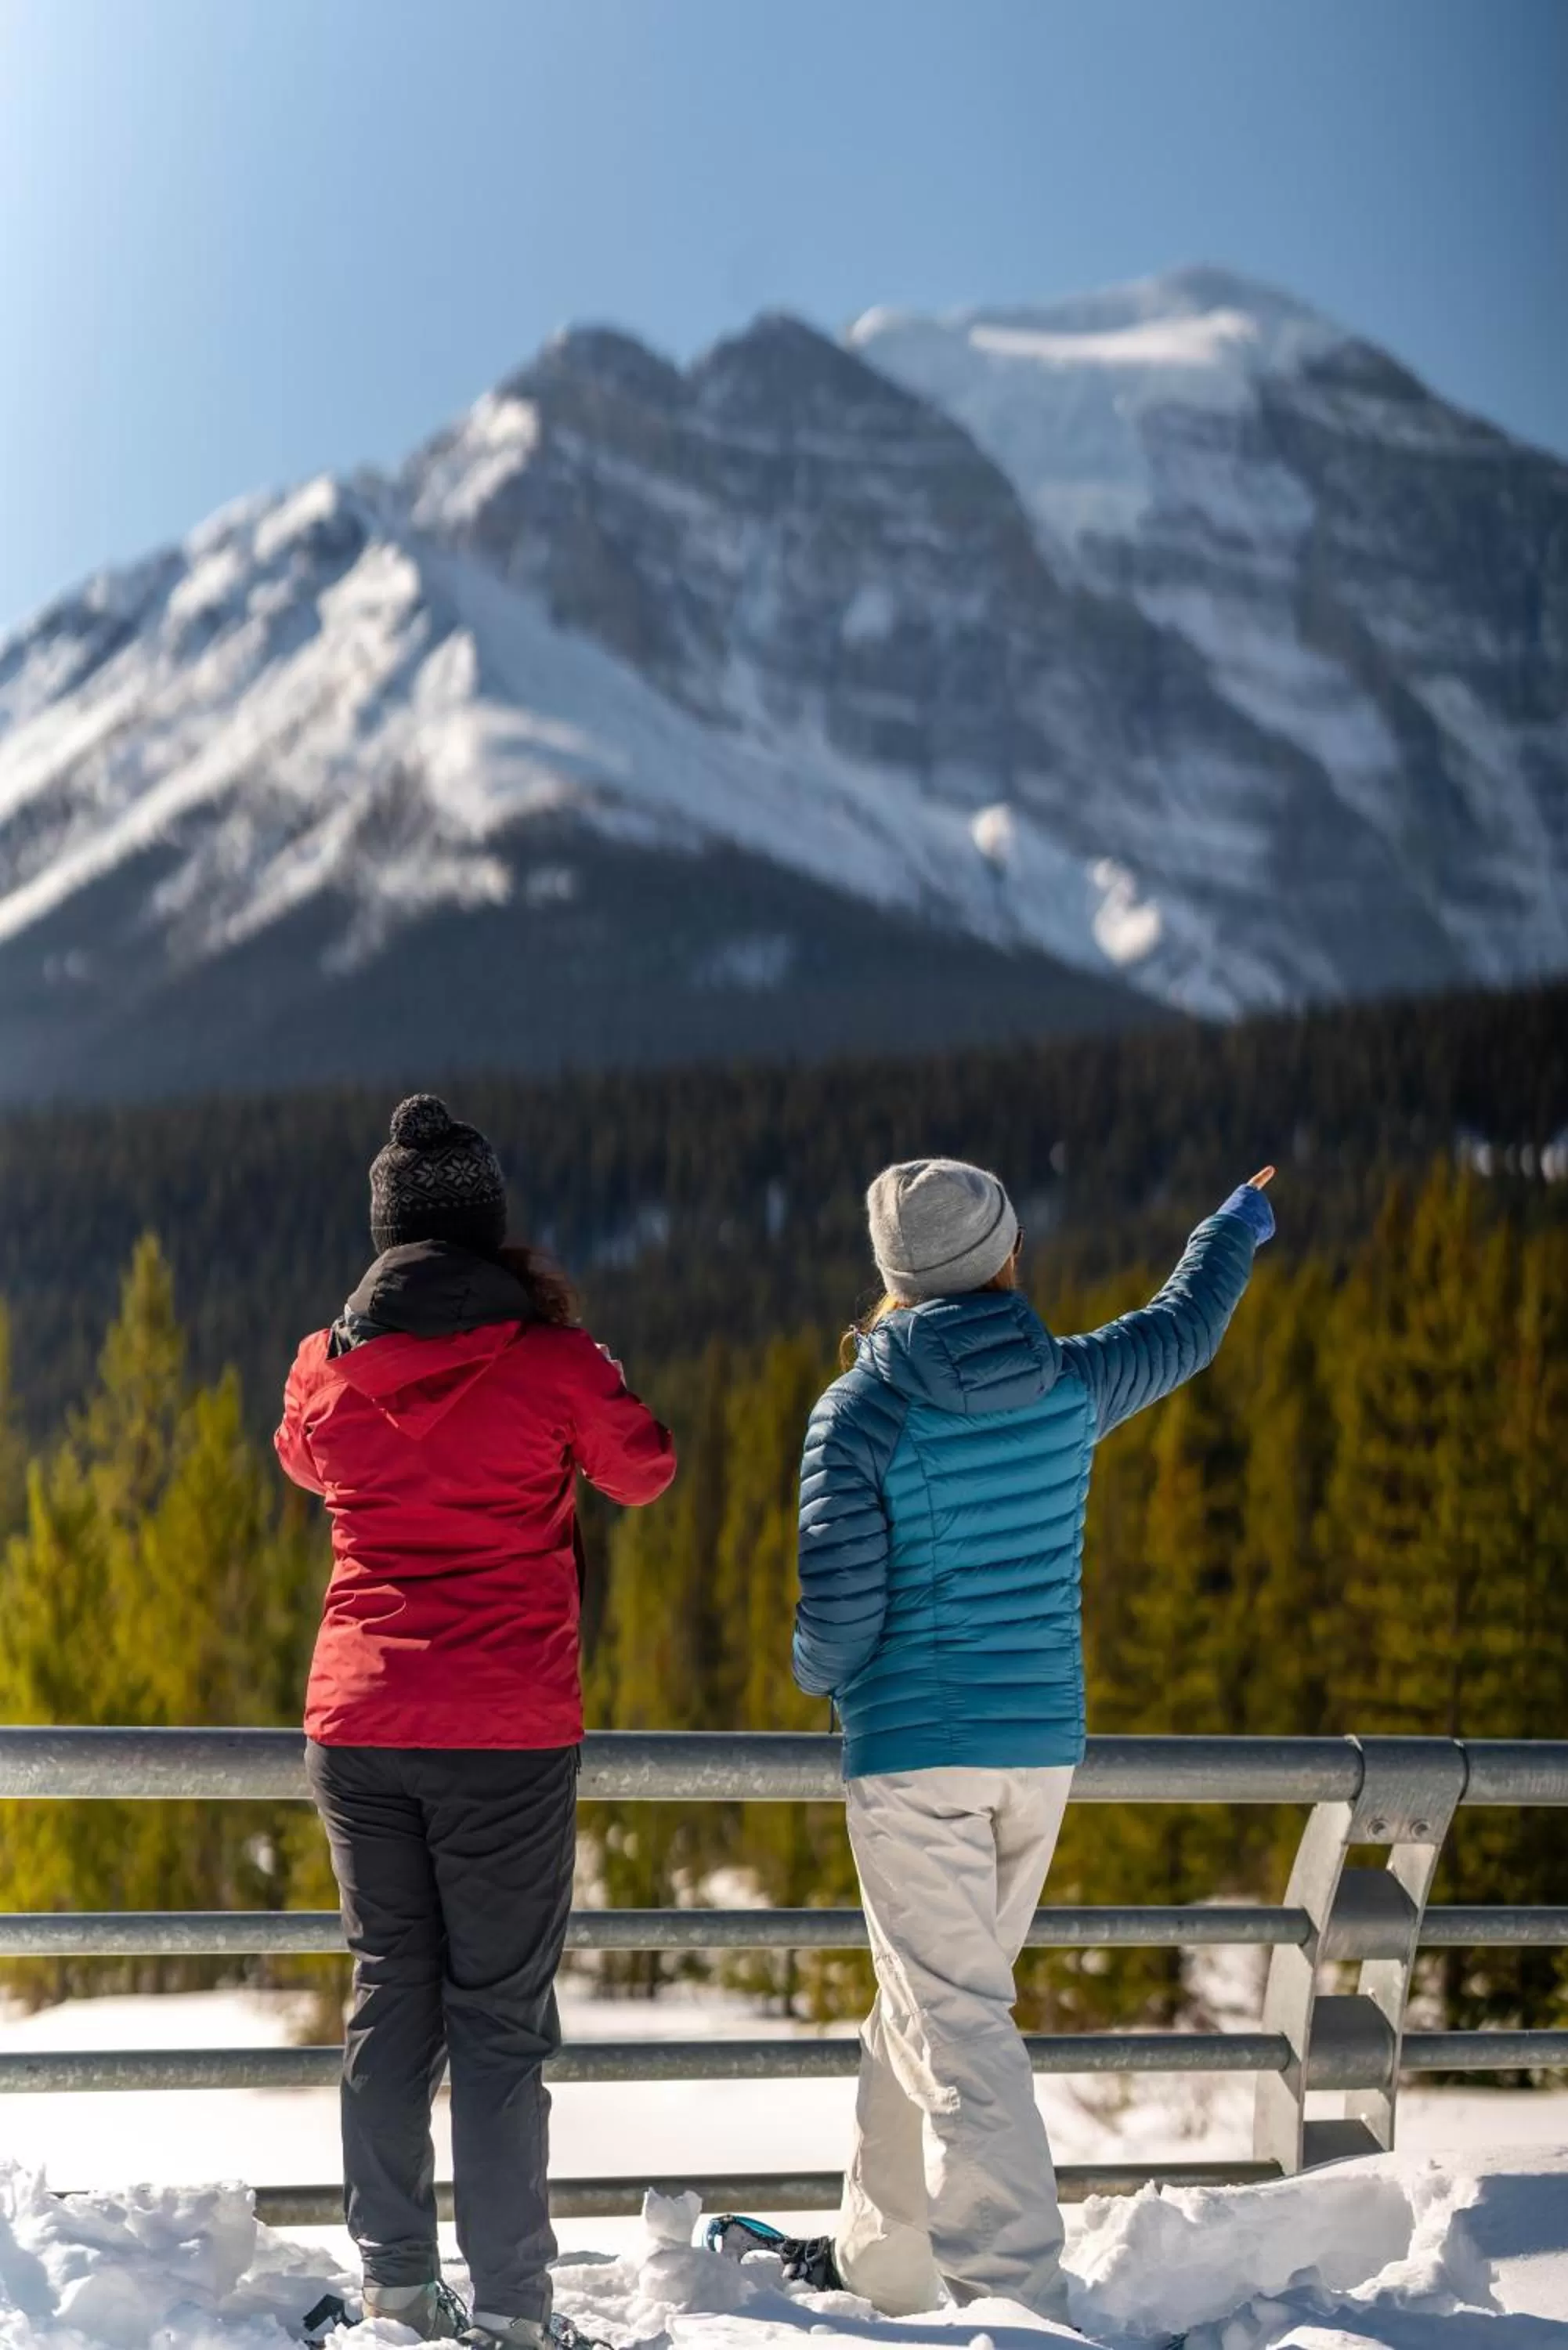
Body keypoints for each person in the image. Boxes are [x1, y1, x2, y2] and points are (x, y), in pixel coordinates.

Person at [712, 1155, 1275, 2324]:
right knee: (920, 2004)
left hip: (916, 1751)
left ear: (893, 1277)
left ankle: (1014, 2292)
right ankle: (888, 2262)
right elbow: (1183, 1329)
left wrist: (812, 1673)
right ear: (1006, 1255)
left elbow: (839, 1619)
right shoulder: (1068, 1384)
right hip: (1037, 1750)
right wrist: (1234, 1221)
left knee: (950, 2013)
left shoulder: (860, 1411)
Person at [276, 1094, 676, 2349]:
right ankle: (512, 2313)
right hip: (503, 1725)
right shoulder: (553, 1363)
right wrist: (575, 1358)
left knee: (391, 1993)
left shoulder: (325, 1362)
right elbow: (645, 1470)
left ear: (386, 1233)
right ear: (490, 1228)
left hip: (357, 1720)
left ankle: (396, 2288)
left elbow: (301, 1457)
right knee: (498, 2022)